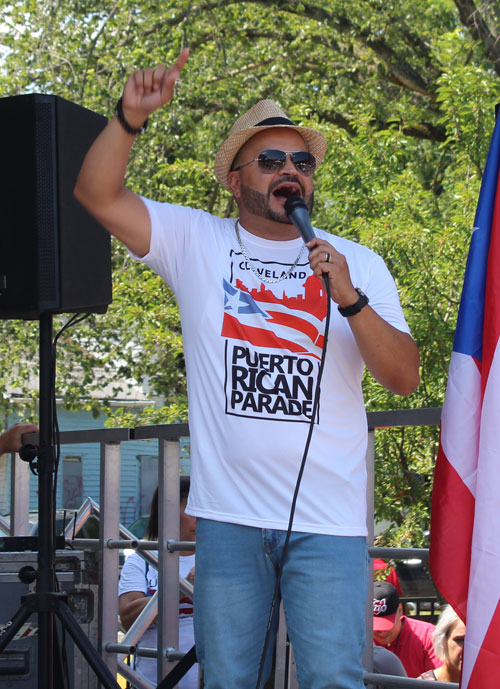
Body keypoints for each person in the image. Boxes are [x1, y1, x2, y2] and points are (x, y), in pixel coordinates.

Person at [75, 51, 420, 689]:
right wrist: (127, 120)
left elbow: (404, 378)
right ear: (235, 181)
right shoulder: (197, 242)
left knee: (334, 680)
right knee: (226, 679)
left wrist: (350, 298)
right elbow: (95, 193)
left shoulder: (358, 263)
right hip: (227, 520)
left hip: (330, 521)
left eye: (302, 161)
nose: (290, 170)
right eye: (270, 160)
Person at [119, 476, 197, 688]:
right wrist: (182, 590)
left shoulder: (220, 557)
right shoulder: (143, 559)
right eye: (192, 507)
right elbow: (128, 619)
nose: (200, 517)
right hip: (151, 681)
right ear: (168, 512)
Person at [373, 581, 440, 678]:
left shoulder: (428, 636)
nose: (381, 632)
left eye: (387, 625)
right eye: (375, 626)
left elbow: (440, 680)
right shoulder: (359, 638)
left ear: (400, 611)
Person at [419, 605, 465, 682]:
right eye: (460, 640)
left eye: (476, 643)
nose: (468, 649)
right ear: (443, 641)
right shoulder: (423, 685)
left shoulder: (490, 682)